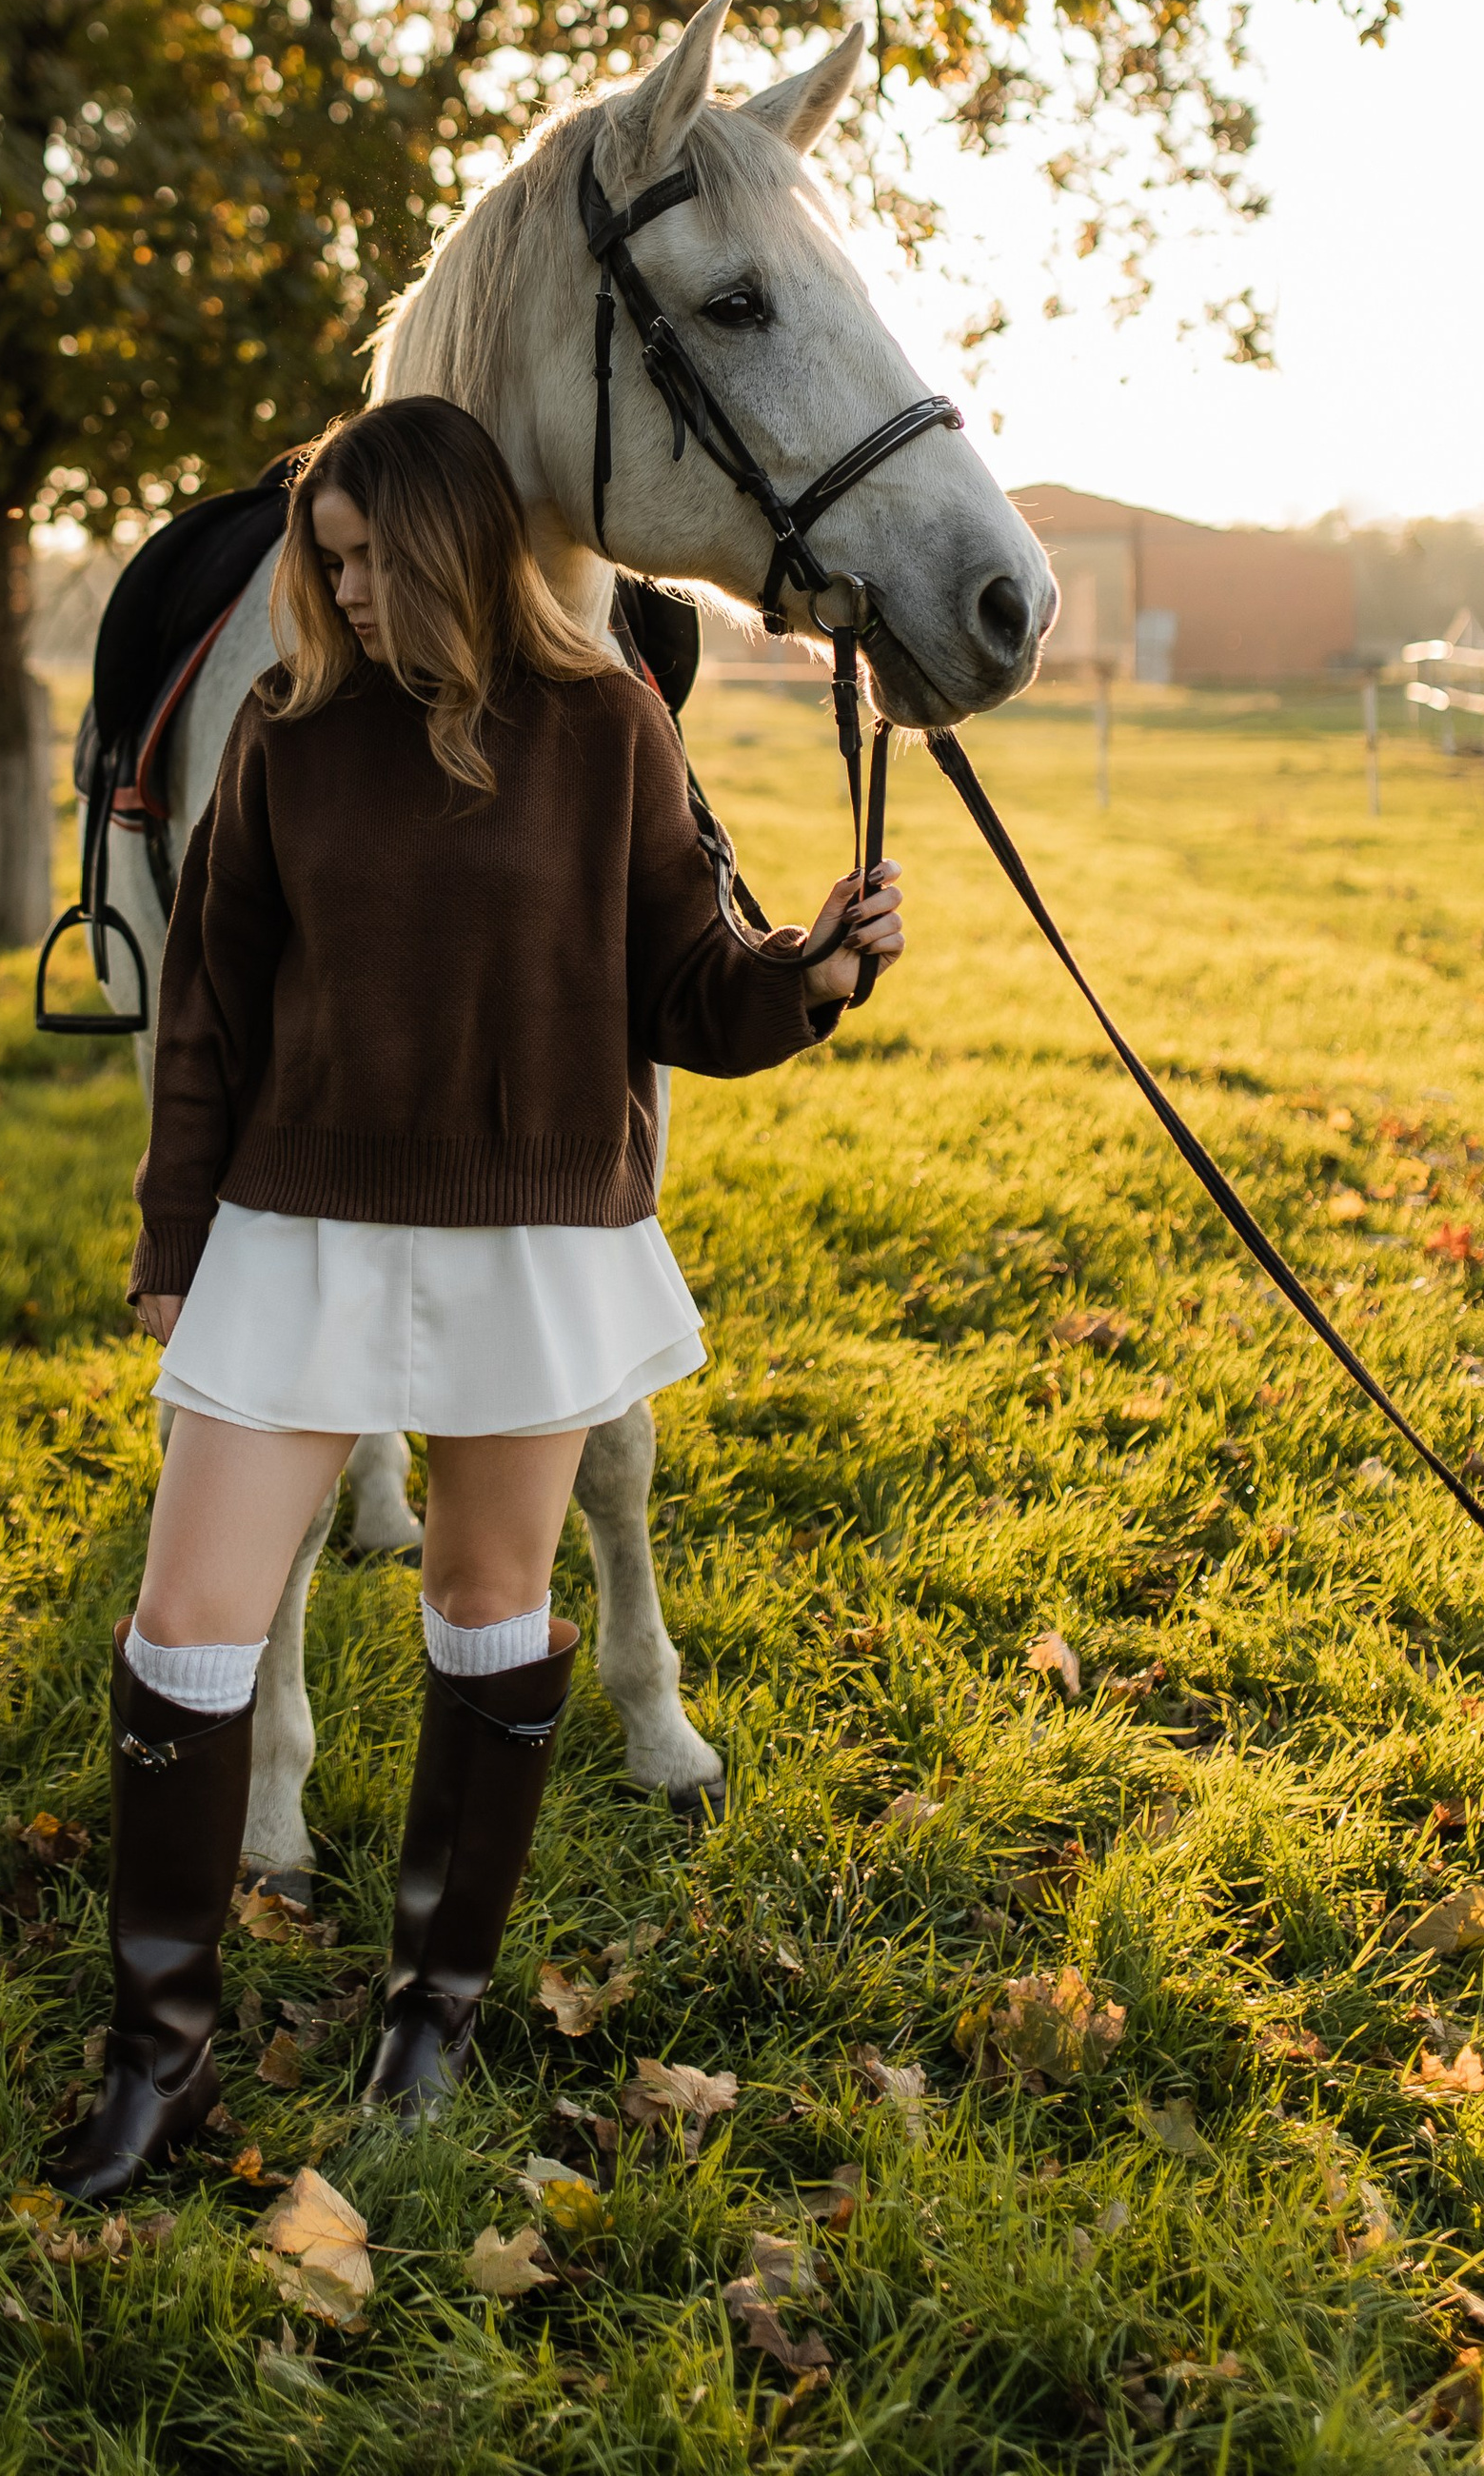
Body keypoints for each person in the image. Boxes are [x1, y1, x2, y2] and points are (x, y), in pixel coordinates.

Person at [51, 394, 903, 2200]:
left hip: (531, 1235)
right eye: (325, 561)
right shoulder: (284, 738)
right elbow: (200, 1011)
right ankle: (163, 2050)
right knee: (185, 1621)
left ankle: (427, 2012)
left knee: (484, 1604)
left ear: (452, 541)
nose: (344, 592)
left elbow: (682, 984)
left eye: (369, 558)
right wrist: (176, 1239)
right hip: (301, 1223)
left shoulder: (609, 724)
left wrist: (810, 974)